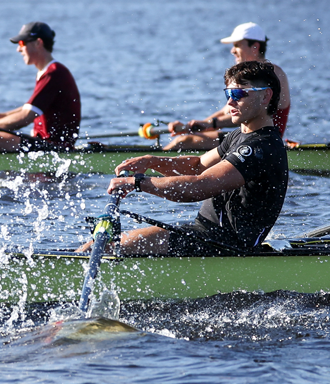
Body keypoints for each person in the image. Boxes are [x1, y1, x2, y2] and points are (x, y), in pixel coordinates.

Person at [95, 61, 288, 256]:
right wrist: (151, 161)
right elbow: (197, 165)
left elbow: (198, 187)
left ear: (266, 96)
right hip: (205, 235)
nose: (230, 102)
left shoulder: (260, 147)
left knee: (107, 247)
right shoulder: (239, 135)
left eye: (238, 94)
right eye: (228, 94)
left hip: (224, 246)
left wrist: (137, 183)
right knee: (103, 246)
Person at [0, 20, 81, 152]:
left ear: (38, 43)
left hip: (54, 148)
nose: (18, 49)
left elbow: (25, 117)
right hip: (43, 144)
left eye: (22, 43)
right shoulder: (47, 72)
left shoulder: (54, 73)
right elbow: (24, 110)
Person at [164, 22, 294, 150]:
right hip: (246, 134)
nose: (232, 51)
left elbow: (248, 111)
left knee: (183, 141)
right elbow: (224, 112)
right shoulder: (248, 77)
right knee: (186, 138)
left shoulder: (272, 73)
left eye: (237, 45)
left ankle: (155, 161)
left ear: (255, 46)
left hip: (266, 140)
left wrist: (209, 124)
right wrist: (193, 127)